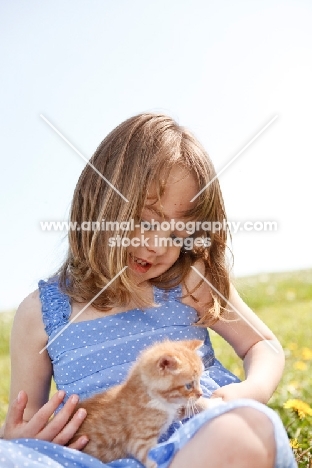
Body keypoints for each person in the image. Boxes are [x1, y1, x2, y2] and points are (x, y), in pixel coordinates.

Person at [0, 113, 296, 468]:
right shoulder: (40, 313)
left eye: (177, 235)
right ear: (97, 204)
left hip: (191, 447)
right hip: (94, 459)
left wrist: (247, 394)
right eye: (145, 222)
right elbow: (26, 419)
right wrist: (18, 440)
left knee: (243, 429)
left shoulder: (188, 279)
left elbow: (263, 345)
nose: (158, 246)